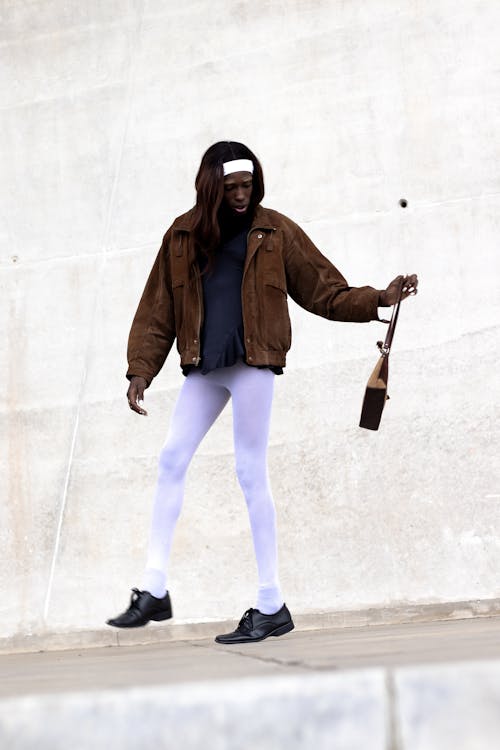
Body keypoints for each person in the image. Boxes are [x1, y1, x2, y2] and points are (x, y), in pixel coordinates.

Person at [106, 141, 418, 643]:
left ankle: (271, 602)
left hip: (252, 363)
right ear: (211, 187)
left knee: (250, 471)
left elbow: (323, 289)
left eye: (247, 185)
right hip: (204, 367)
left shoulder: (274, 230)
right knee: (170, 459)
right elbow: (157, 307)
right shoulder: (182, 235)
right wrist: (140, 370)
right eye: (230, 188)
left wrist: (378, 299)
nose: (240, 195)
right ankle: (154, 589)